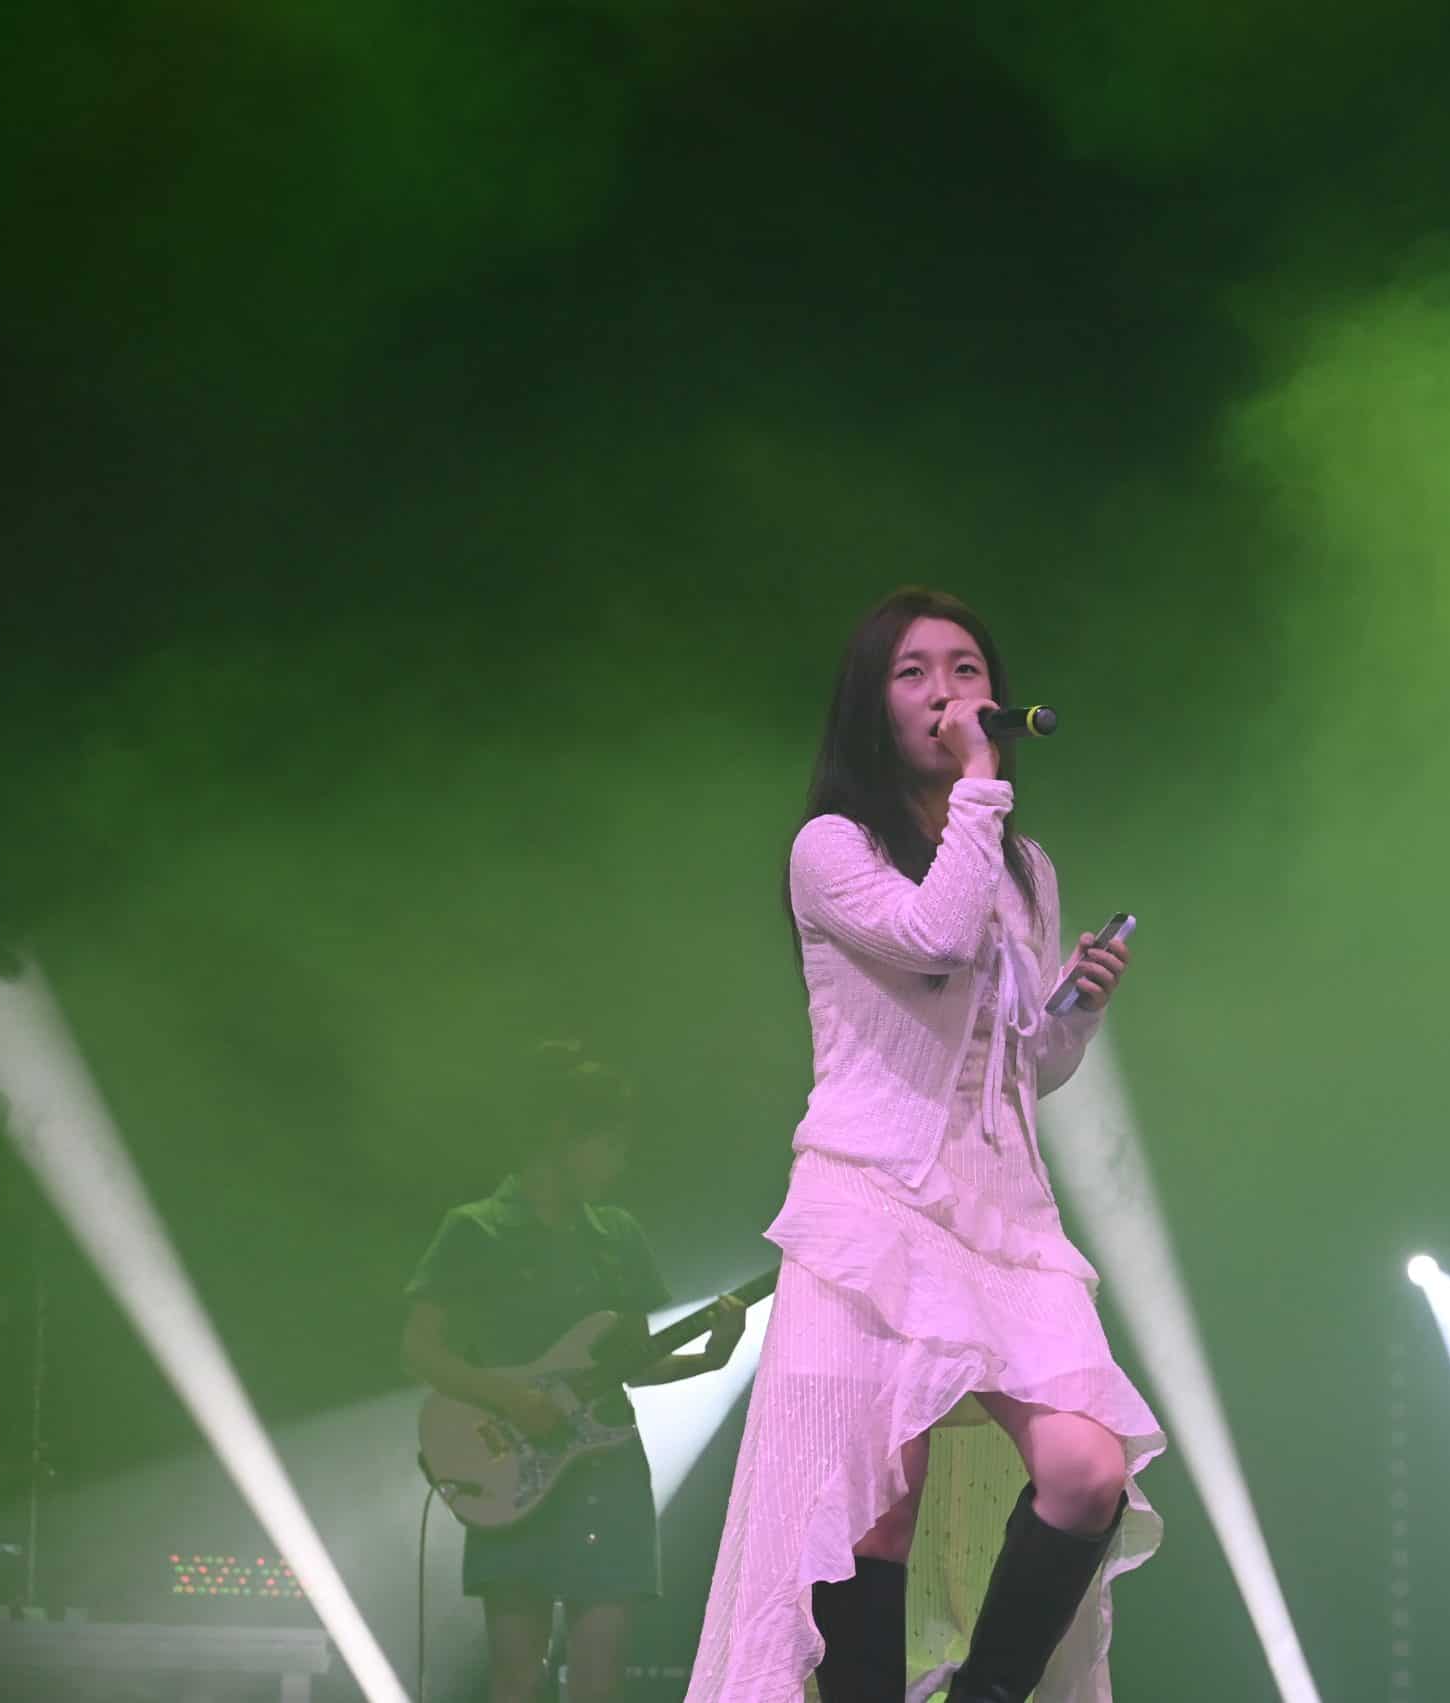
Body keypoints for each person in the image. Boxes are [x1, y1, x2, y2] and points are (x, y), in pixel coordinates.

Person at [685, 589, 1163, 1703]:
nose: (947, 691)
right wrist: (979, 787)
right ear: (873, 703)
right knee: (873, 1507)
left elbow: (1019, 1067)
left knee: (1085, 1467)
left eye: (966, 668)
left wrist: (1076, 1011)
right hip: (872, 1199)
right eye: (915, 672)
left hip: (1003, 1216)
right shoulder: (832, 848)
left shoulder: (1023, 865)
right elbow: (932, 936)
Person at [403, 1044, 749, 1703]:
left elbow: (634, 1364)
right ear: (563, 1136)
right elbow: (421, 1350)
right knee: (517, 1675)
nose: (621, 1160)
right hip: (511, 1463)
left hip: (605, 1467)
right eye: (611, 1143)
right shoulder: (475, 1229)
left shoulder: (618, 1235)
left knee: (599, 1678)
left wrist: (714, 1354)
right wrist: (510, 1397)